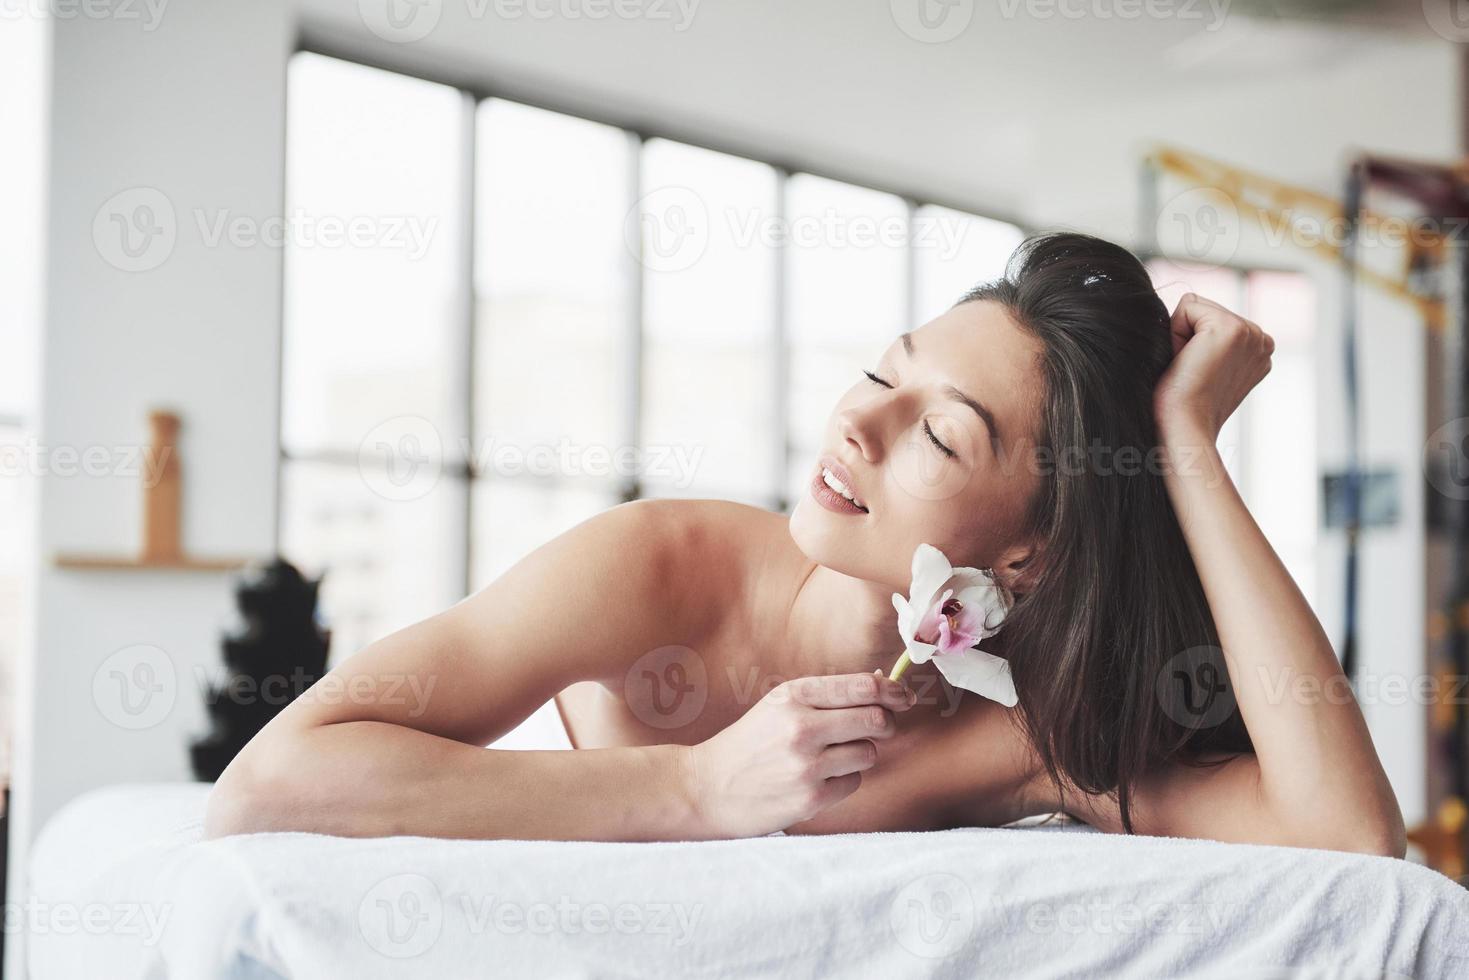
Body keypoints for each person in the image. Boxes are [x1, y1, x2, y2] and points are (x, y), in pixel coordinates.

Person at [205, 232, 1405, 856]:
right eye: (882, 370)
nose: (856, 418)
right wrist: (688, 784)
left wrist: (1182, 442)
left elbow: (1344, 831)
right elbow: (266, 784)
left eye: (935, 431)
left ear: (1030, 557)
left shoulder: (1020, 730)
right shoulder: (658, 569)